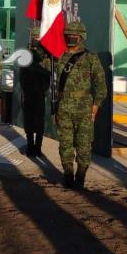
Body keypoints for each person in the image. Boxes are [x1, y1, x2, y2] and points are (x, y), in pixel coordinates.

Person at [43, 21, 107, 190]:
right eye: (68, 35)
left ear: (81, 37)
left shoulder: (90, 58)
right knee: (65, 143)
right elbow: (43, 69)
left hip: (84, 108)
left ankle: (81, 175)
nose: (71, 37)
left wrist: (96, 106)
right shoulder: (57, 56)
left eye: (74, 35)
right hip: (63, 107)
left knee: (84, 144)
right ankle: (68, 173)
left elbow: (101, 85)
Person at [20, 27, 50, 156]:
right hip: (28, 91)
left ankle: (38, 147)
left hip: (40, 93)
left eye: (38, 37)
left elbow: (48, 73)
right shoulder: (26, 53)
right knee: (28, 120)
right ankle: (30, 145)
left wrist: (44, 90)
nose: (36, 40)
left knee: (39, 121)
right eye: (35, 37)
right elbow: (23, 73)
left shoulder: (46, 55)